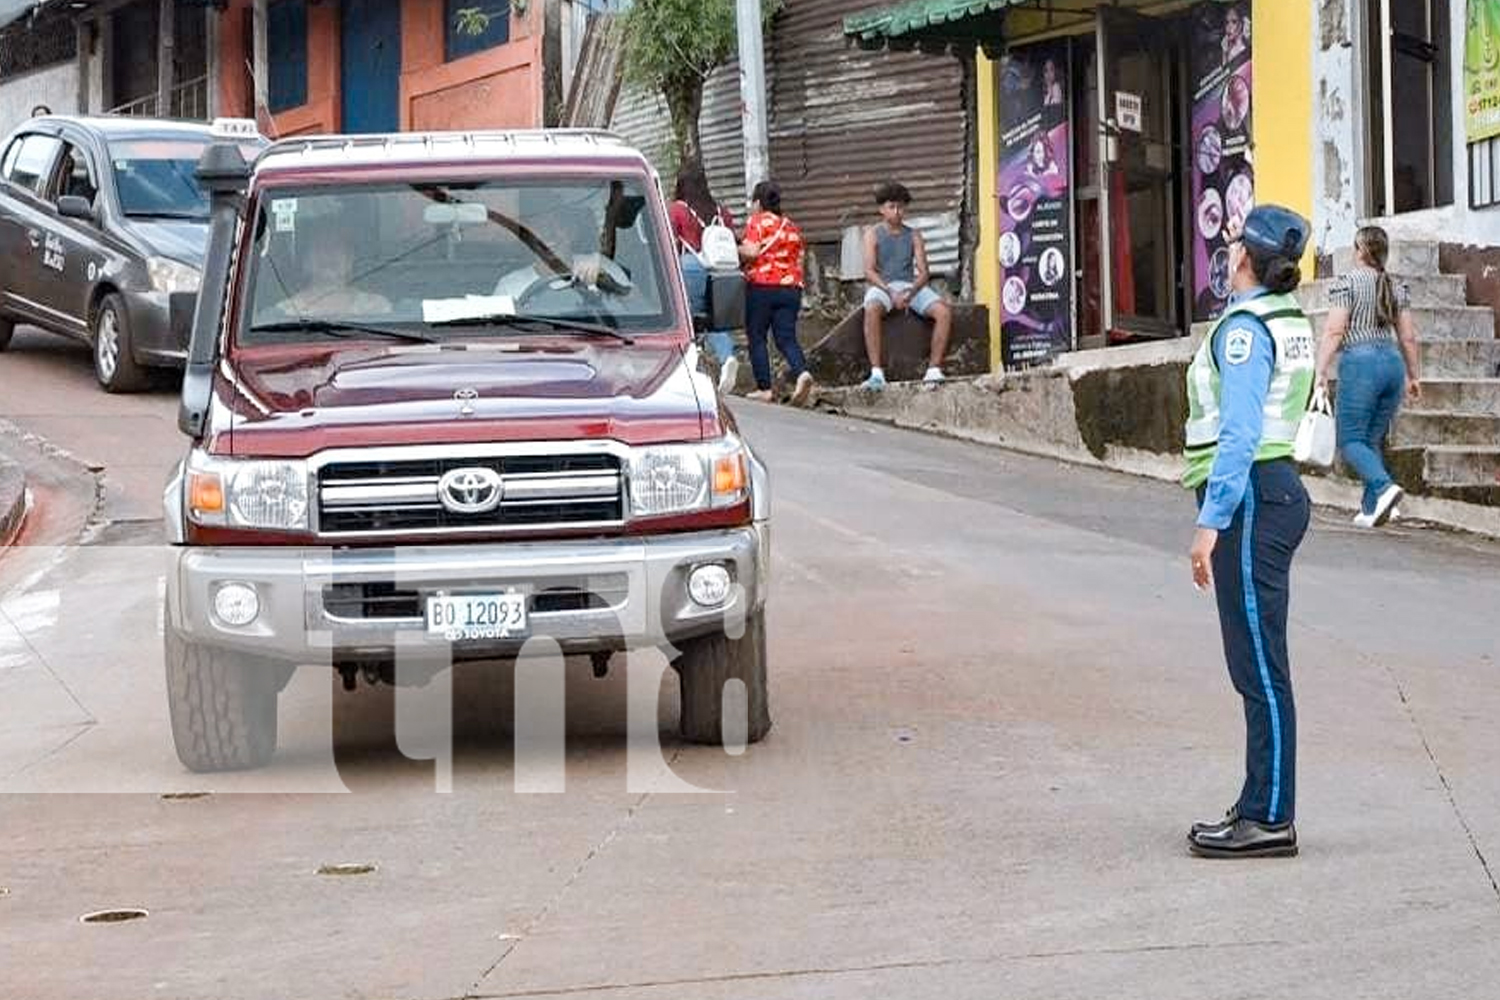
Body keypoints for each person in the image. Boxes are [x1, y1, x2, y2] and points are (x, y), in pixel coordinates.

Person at [1182, 205, 1316, 860]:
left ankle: (1269, 815)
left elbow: (1238, 433)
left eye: (1233, 244)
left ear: (1244, 258)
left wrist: (1211, 523)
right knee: (1258, 663)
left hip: (1253, 498)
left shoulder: (1243, 328)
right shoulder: (1285, 318)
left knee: (1259, 666)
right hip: (1272, 490)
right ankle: (1259, 796)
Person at [1314, 225, 1421, 527]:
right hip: (1392, 364)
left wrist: (1320, 370)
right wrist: (1414, 376)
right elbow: (1408, 337)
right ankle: (1373, 507)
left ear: (1360, 250)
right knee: (1371, 438)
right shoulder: (1395, 287)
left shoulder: (1347, 283)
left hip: (1361, 364)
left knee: (1350, 441)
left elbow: (1335, 330)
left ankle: (1385, 487)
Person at [860, 181, 952, 391]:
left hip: (910, 286)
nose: (897, 212)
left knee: (943, 312)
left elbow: (924, 272)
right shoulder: (872, 234)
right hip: (884, 286)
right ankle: (876, 372)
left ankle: (933, 370)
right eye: (892, 207)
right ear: (881, 209)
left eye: (901, 207)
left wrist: (911, 292)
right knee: (872, 308)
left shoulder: (914, 235)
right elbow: (869, 271)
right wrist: (890, 291)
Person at [740, 180, 815, 406]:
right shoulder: (790, 226)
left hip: (762, 286)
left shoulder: (757, 222)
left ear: (758, 203)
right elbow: (799, 259)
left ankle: (764, 388)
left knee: (757, 336)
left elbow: (752, 252)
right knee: (786, 338)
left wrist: (736, 249)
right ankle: (802, 373)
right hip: (791, 288)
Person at [670, 161, 741, 395]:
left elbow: (668, 241)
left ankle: (691, 369)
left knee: (688, 321)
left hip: (691, 267)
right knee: (715, 320)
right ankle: (727, 356)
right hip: (723, 271)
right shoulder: (721, 211)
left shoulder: (678, 209)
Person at [493, 204, 628, 301]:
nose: (549, 233)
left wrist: (608, 283)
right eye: (540, 227)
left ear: (572, 232)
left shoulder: (600, 264)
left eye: (556, 225)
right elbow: (497, 331)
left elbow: (636, 305)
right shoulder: (509, 286)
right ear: (528, 239)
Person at [274, 219, 391, 318]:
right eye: (321, 247)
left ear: (351, 258)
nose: (329, 255)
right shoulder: (285, 313)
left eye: (337, 247)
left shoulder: (376, 308)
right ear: (305, 259)